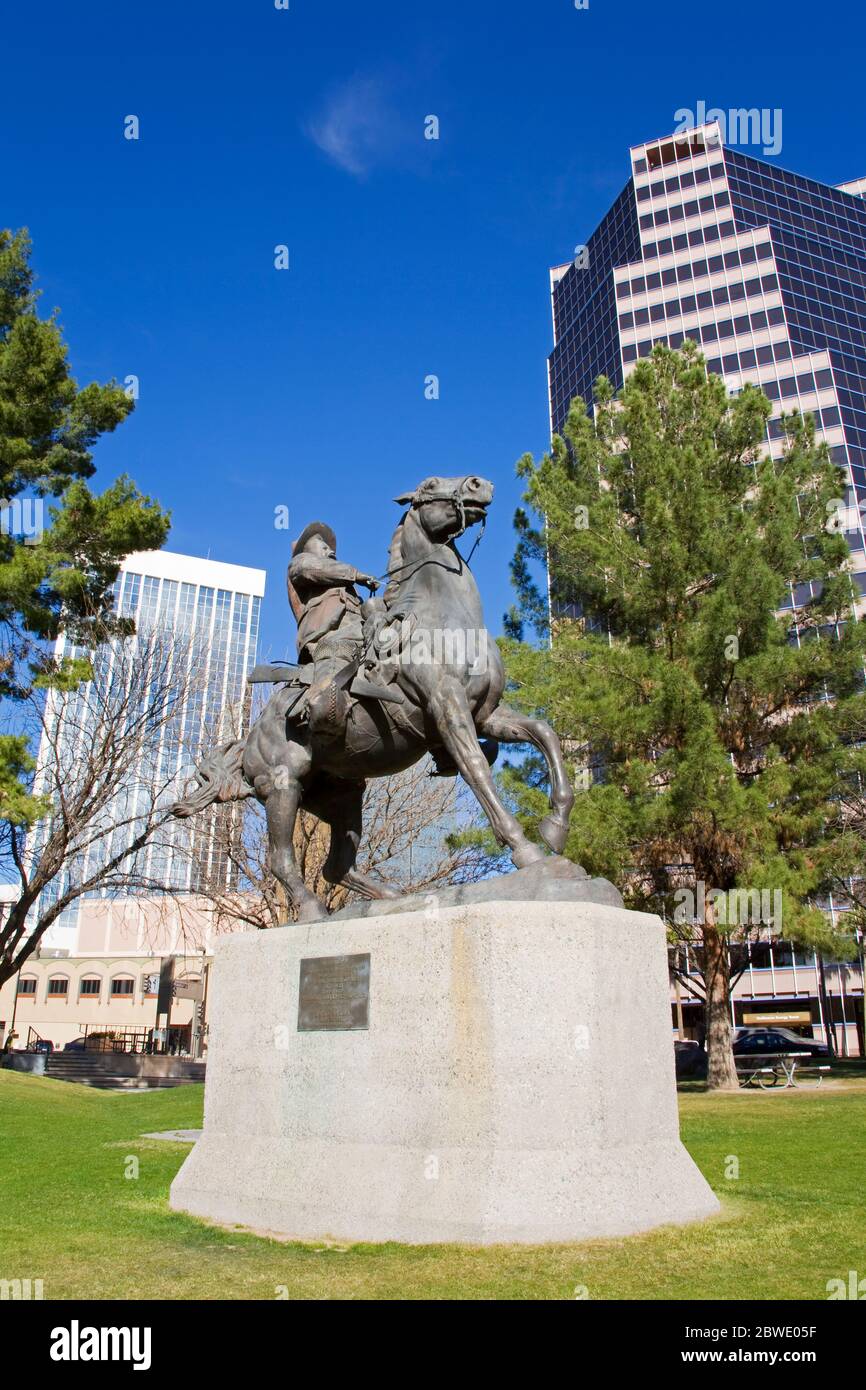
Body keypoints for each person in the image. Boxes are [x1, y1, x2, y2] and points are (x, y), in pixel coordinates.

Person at [287, 522, 380, 738]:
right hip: (331, 639)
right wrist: (355, 574)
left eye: (331, 548)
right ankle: (324, 719)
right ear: (305, 550)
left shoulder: (346, 587)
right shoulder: (299, 564)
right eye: (322, 544)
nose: (331, 550)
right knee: (331, 680)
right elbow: (316, 568)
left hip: (361, 635)